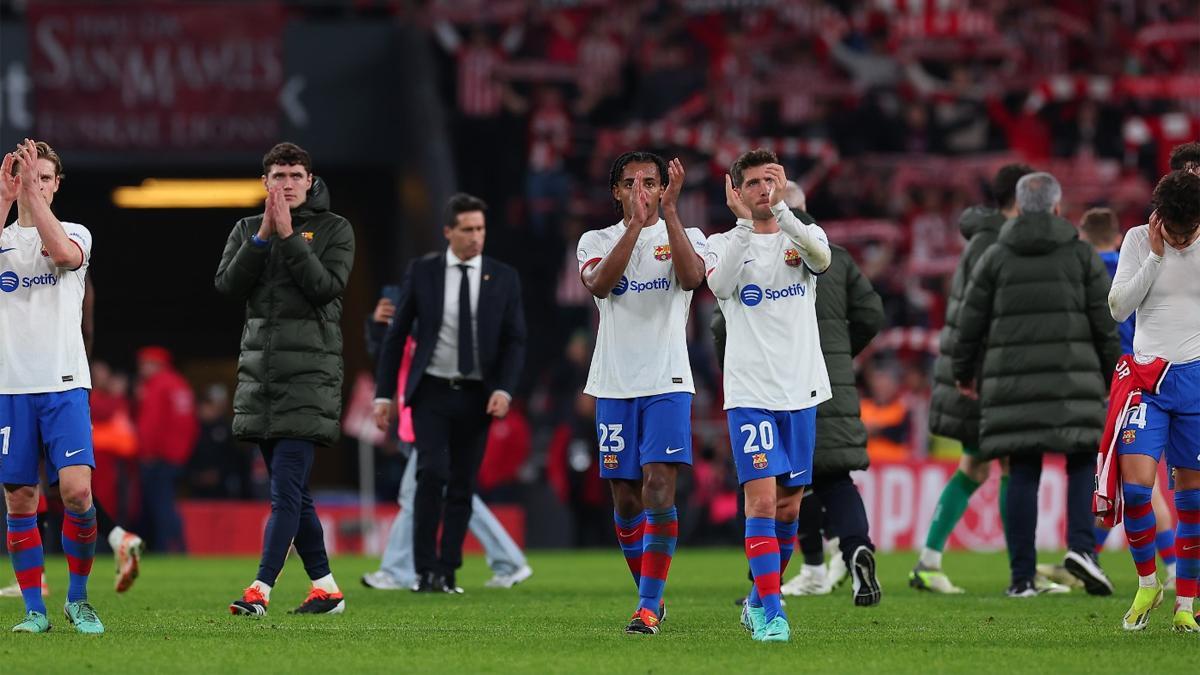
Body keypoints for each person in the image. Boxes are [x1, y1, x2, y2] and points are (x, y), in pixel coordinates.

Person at [712, 183, 885, 605]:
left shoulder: (801, 251)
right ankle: (854, 547)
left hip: (770, 386)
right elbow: (871, 314)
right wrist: (843, 354)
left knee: (771, 487)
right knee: (832, 479)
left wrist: (737, 363)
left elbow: (721, 327)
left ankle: (794, 573)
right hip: (831, 386)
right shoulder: (839, 258)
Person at [953, 172, 1119, 598]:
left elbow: (969, 320)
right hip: (1073, 378)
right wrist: (1109, 373)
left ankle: (1022, 578)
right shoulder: (1081, 255)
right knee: (1081, 459)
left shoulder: (997, 255)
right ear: (1058, 208)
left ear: (1021, 207)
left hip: (1013, 383)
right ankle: (1083, 549)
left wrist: (963, 371)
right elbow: (1105, 320)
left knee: (1023, 470)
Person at [215, 142, 355, 617]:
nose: (288, 184)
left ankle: (259, 590)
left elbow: (324, 288)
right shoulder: (244, 230)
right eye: (279, 176)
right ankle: (326, 588)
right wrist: (261, 240)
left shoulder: (336, 230)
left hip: (310, 378)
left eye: (296, 175)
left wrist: (289, 235)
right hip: (262, 380)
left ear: (310, 181)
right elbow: (227, 287)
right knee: (295, 493)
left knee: (284, 494)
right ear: (265, 183)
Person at [576, 151, 706, 635]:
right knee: (626, 500)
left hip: (668, 381)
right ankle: (649, 593)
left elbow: (693, 279)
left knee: (657, 486)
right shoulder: (596, 240)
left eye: (650, 182)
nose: (641, 191)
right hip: (612, 383)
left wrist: (669, 213)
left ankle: (647, 607)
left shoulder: (685, 236)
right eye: (630, 183)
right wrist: (633, 226)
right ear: (615, 192)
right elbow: (600, 284)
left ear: (665, 188)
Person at [705, 150, 832, 642]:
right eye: (753, 183)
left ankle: (759, 599)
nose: (762, 189)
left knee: (789, 510)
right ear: (736, 190)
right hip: (751, 393)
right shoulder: (722, 244)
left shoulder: (805, 236)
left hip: (801, 390)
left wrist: (783, 212)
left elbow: (822, 259)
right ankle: (774, 614)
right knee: (760, 503)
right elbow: (719, 284)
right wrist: (743, 224)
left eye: (770, 181)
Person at [372, 193, 526, 595]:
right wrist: (383, 394)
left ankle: (446, 572)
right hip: (432, 392)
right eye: (468, 229)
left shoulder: (503, 276)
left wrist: (505, 390)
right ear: (448, 232)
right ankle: (423, 572)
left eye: (481, 229)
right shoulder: (423, 272)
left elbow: (515, 341)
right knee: (431, 476)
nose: (476, 237)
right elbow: (397, 335)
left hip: (477, 395)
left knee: (461, 484)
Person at [911, 163, 1032, 594]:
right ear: (1021, 198)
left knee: (978, 466)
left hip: (969, 369)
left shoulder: (982, 238)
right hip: (982, 373)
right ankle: (1023, 573)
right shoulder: (998, 243)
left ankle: (928, 560)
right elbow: (982, 315)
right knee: (1010, 461)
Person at [0, 140, 104, 633]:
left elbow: (62, 255)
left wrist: (31, 202)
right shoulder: (4, 239)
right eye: (27, 176)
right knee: (20, 499)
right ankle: (34, 612)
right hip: (11, 389)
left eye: (43, 177)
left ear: (56, 184)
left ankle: (78, 599)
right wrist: (4, 201)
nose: (34, 185)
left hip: (64, 385)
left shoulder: (75, 233)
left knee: (77, 492)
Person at [362, 294, 532, 591]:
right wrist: (376, 325)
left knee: (414, 493)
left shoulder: (431, 334)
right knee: (455, 493)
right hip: (416, 423)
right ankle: (509, 561)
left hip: (436, 421)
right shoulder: (407, 339)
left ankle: (395, 570)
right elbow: (384, 352)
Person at [1109, 169, 1200, 632]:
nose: (1183, 239)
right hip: (1148, 379)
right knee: (1138, 488)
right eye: (1176, 230)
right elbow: (1118, 307)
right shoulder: (1138, 241)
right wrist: (1157, 258)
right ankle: (1148, 581)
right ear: (1161, 218)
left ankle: (1186, 606)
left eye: (1190, 232)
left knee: (1192, 501)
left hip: (1197, 382)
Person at [1078, 208, 1177, 590]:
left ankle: (1094, 556)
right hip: (1160, 373)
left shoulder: (1086, 273)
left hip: (1118, 381)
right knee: (1136, 479)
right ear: (1117, 236)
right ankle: (1091, 557)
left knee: (1135, 479)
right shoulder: (1132, 262)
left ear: (1083, 237)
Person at [134, 346, 198, 553]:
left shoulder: (158, 385)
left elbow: (150, 425)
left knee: (161, 506)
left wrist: (148, 452)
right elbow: (189, 425)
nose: (142, 368)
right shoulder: (179, 384)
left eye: (145, 363)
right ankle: (177, 547)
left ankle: (167, 548)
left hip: (158, 457)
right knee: (167, 503)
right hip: (177, 456)